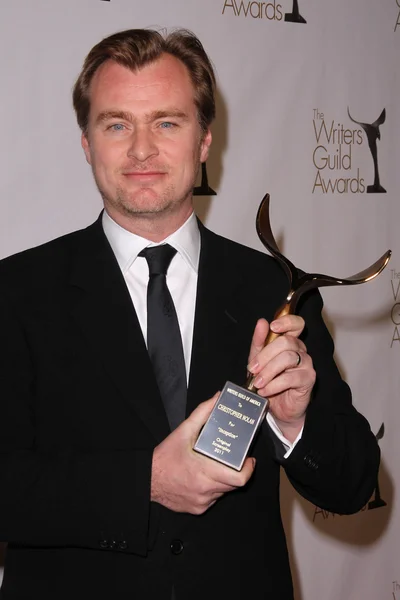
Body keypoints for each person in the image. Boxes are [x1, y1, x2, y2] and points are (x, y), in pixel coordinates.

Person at [0, 28, 380, 600]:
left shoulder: (274, 289)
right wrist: (145, 483)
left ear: (205, 140)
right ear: (86, 142)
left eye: (167, 122)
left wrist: (295, 421)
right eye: (117, 124)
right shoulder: (16, 291)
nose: (142, 149)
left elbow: (353, 486)